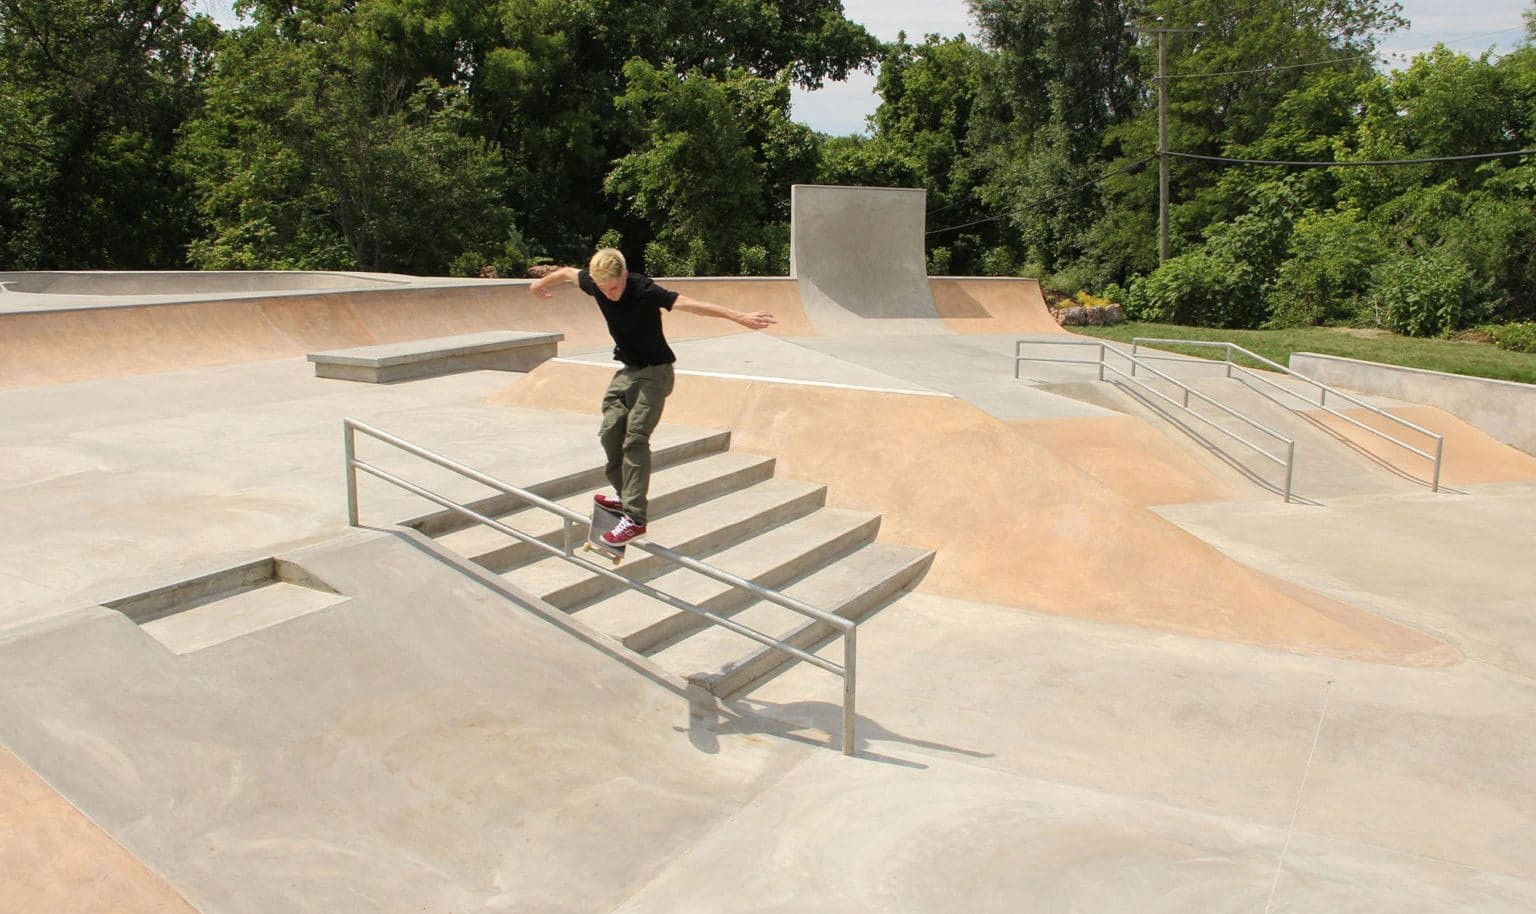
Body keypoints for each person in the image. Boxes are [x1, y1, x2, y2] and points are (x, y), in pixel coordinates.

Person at [529, 247, 776, 546]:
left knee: (634, 438)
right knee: (609, 432)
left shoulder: (643, 289)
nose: (609, 295)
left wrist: (739, 316)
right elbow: (568, 273)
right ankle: (624, 496)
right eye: (603, 290)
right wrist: (540, 283)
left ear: (623, 274)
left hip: (656, 373)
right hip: (627, 372)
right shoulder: (596, 283)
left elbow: (689, 304)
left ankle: (634, 518)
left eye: (614, 287)